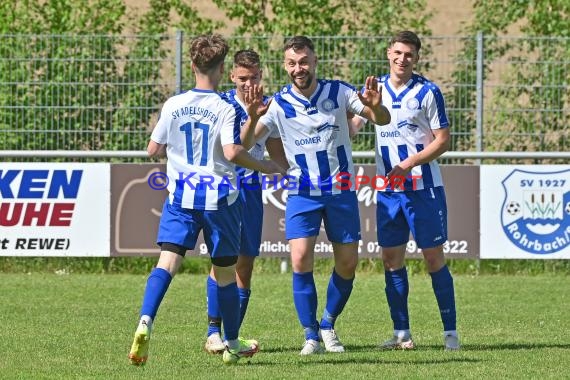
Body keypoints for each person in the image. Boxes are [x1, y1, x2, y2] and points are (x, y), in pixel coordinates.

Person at [127, 34, 284, 366]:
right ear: (223, 68)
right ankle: (232, 342)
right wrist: (264, 166)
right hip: (219, 200)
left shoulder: (173, 104)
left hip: (180, 197)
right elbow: (232, 152)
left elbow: (153, 150)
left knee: (166, 263)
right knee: (225, 272)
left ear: (193, 65)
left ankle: (145, 320)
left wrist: (179, 158)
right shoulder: (224, 107)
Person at [241, 35, 391, 355]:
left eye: (304, 61)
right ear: (285, 66)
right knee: (299, 260)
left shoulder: (339, 92)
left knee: (348, 263)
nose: (299, 68)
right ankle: (310, 334)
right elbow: (245, 142)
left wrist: (377, 109)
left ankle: (328, 324)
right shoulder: (278, 103)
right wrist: (253, 116)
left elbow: (381, 119)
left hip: (340, 190)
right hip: (302, 192)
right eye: (293, 63)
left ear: (315, 61)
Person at [352, 30, 459, 351]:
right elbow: (353, 126)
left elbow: (443, 139)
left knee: (433, 258)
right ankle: (402, 334)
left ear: (416, 57)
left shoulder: (428, 92)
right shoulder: (374, 90)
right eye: (397, 53)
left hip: (424, 189)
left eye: (408, 55)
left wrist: (411, 162)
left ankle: (450, 333)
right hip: (388, 191)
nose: (402, 59)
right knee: (390, 259)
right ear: (388, 53)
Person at [203, 49, 287, 354]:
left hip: (251, 189)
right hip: (223, 187)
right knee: (222, 261)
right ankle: (214, 332)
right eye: (242, 78)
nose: (248, 83)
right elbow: (236, 145)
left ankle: (231, 337)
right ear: (231, 77)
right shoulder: (220, 103)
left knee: (245, 264)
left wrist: (295, 171)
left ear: (261, 75)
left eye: (253, 77)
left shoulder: (272, 108)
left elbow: (279, 155)